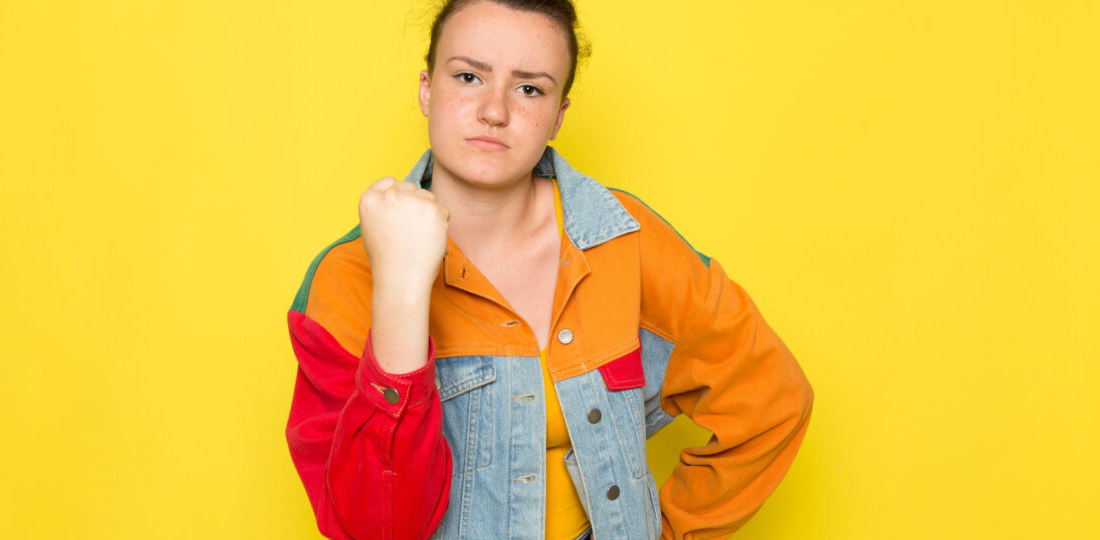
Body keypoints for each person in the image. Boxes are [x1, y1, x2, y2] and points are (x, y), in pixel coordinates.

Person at [284, 0, 814, 538]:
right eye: (469, 76)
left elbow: (770, 399)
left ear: (559, 114)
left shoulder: (622, 240)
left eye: (529, 88)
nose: (495, 111)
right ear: (427, 89)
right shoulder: (348, 278)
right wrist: (400, 286)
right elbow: (375, 528)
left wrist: (670, 530)